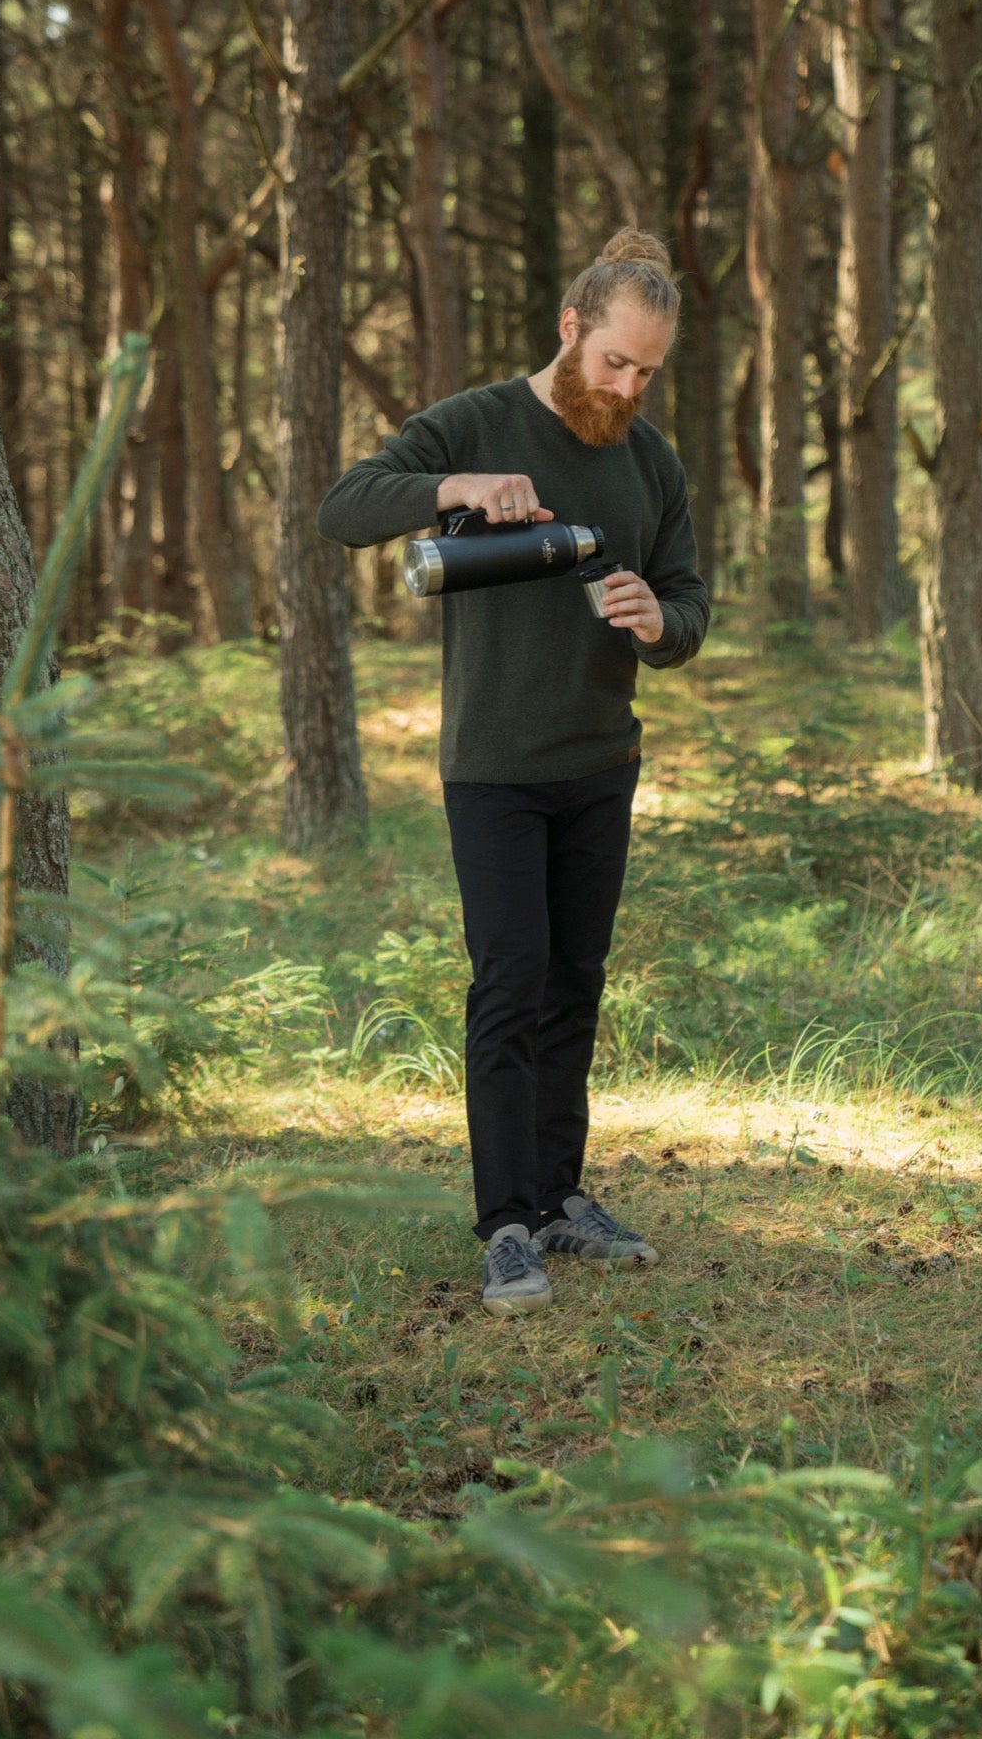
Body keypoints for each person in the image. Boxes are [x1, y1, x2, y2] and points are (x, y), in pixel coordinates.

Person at [318, 229, 710, 1314]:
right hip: (492, 767)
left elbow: (689, 600)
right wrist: (455, 484)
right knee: (510, 982)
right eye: (615, 363)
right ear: (571, 328)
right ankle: (504, 1226)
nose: (628, 387)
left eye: (647, 372)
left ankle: (559, 1196)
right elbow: (344, 506)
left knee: (575, 982)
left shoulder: (649, 458)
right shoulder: (480, 419)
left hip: (601, 760)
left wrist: (657, 622)